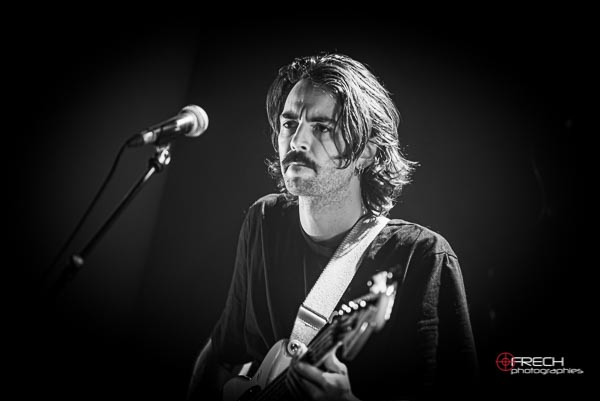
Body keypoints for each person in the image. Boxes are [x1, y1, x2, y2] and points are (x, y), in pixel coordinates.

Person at [187, 53, 478, 401]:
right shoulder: (264, 221)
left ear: (367, 150)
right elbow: (223, 353)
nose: (297, 141)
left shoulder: (421, 257)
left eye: (322, 127)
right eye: (289, 123)